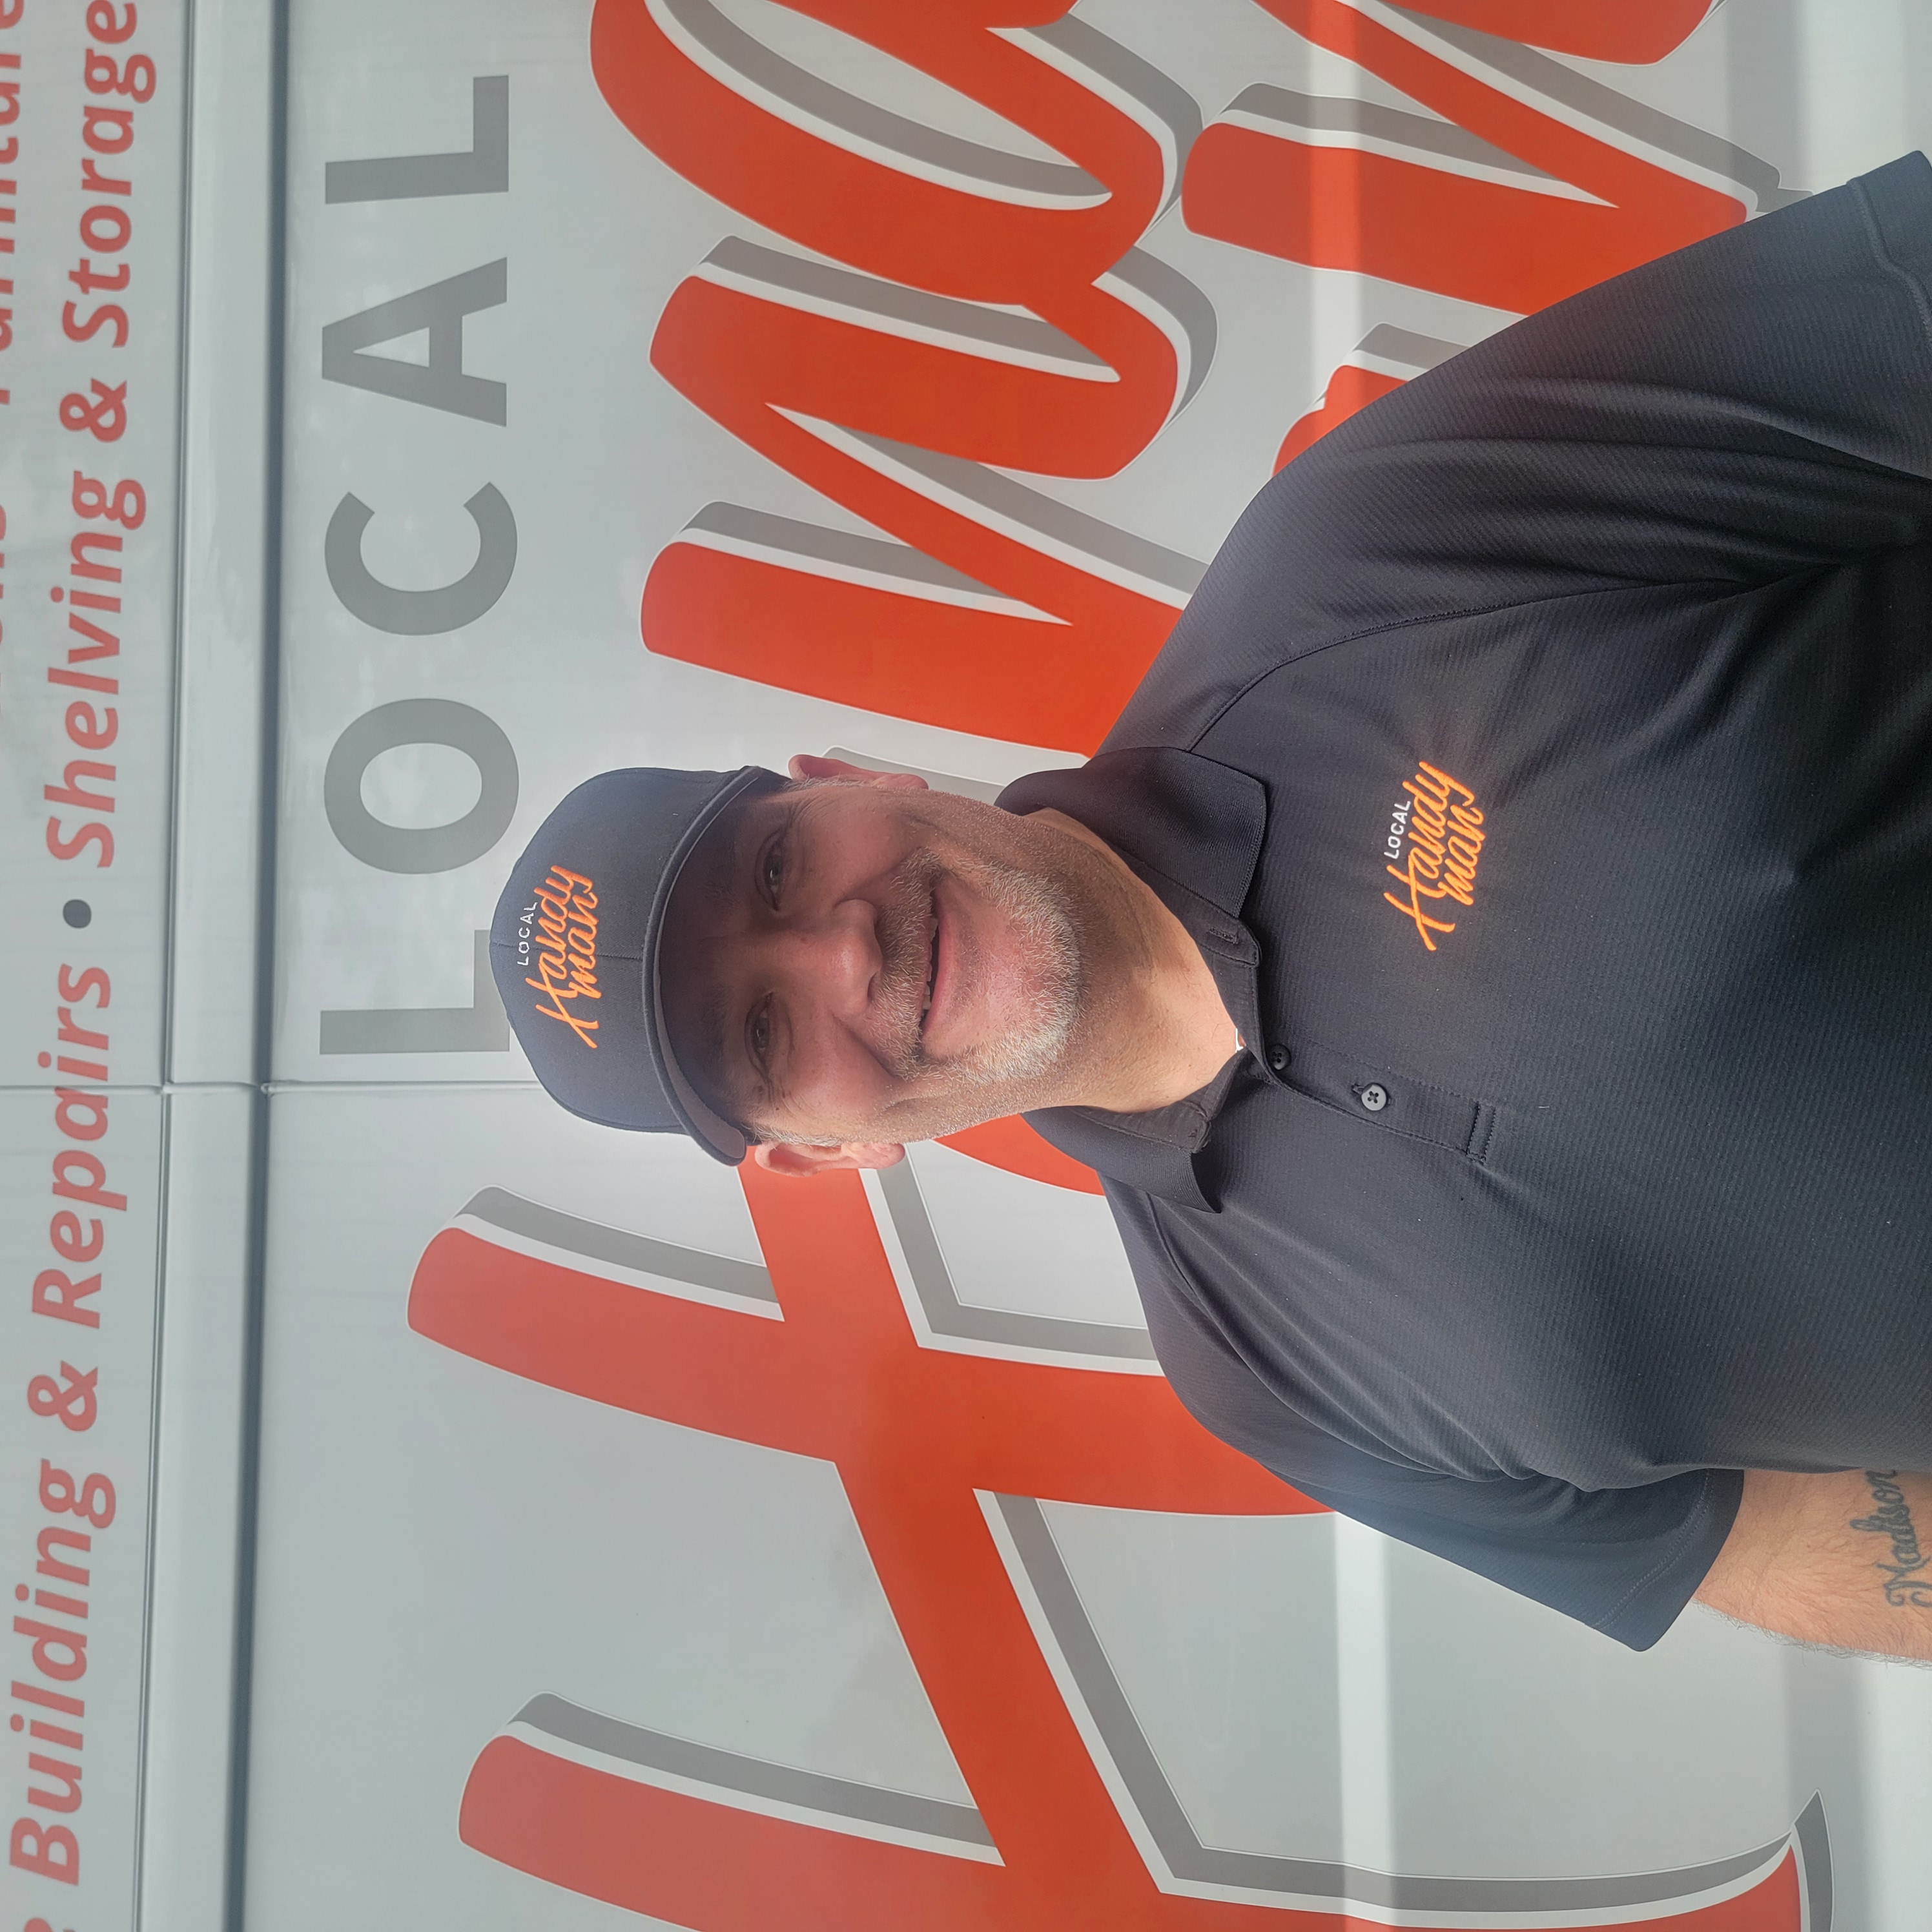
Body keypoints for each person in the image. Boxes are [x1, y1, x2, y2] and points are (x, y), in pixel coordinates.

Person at [493, 154, 1932, 1660]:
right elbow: (1776, 1544)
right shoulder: (1262, 1376)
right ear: (823, 1150)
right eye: (760, 1029)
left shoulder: (1356, 558)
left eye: (775, 869)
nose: (838, 947)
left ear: (843, 775)